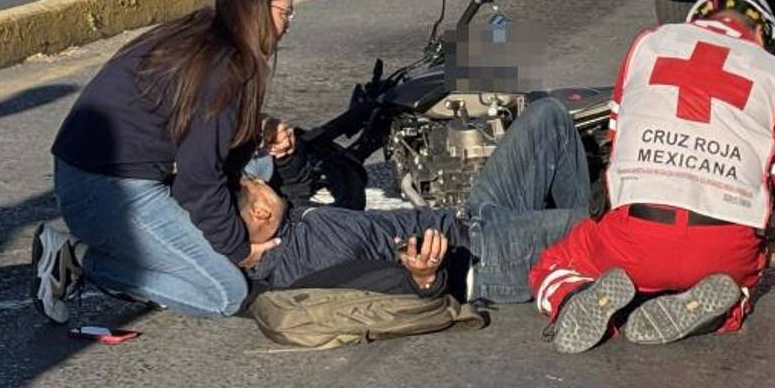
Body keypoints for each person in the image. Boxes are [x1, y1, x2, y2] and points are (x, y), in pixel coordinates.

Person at [530, 0, 775, 354]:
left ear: (698, 19)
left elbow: (619, 154)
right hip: (721, 251)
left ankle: (574, 296)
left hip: (635, 236)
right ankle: (722, 311)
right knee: (736, 281)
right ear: (762, 34)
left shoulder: (647, 45)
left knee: (552, 263)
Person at [32, 0, 298, 322]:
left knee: (261, 161)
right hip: (106, 189)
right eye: (286, 13)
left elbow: (204, 134)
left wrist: (260, 130)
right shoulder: (224, 67)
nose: (287, 26)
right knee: (225, 292)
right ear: (260, 10)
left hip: (106, 172)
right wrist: (238, 249)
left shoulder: (205, 33)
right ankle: (75, 257)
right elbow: (199, 181)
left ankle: (154, 253)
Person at [237, 98, 592, 303]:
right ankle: (586, 258)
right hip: (483, 255)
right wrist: (424, 279)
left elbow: (298, 187)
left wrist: (285, 155)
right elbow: (378, 293)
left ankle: (577, 262)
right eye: (257, 183)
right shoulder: (311, 261)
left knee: (549, 116)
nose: (264, 181)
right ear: (260, 211)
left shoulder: (287, 228)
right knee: (607, 226)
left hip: (470, 220)